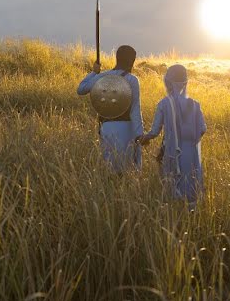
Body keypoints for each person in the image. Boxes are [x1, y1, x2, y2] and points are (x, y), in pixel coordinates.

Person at [137, 64, 206, 204]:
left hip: (173, 151)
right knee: (191, 186)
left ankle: (174, 217)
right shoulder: (195, 104)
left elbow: (154, 131)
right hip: (191, 152)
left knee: (173, 187)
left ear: (168, 82)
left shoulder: (164, 103)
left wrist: (143, 138)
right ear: (185, 83)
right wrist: (191, 140)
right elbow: (203, 128)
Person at [76, 45, 143, 172]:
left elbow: (81, 89)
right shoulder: (132, 80)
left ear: (117, 58)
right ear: (132, 61)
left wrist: (94, 72)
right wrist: (140, 135)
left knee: (109, 170)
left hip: (106, 127)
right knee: (127, 171)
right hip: (127, 128)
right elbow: (135, 110)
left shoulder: (102, 76)